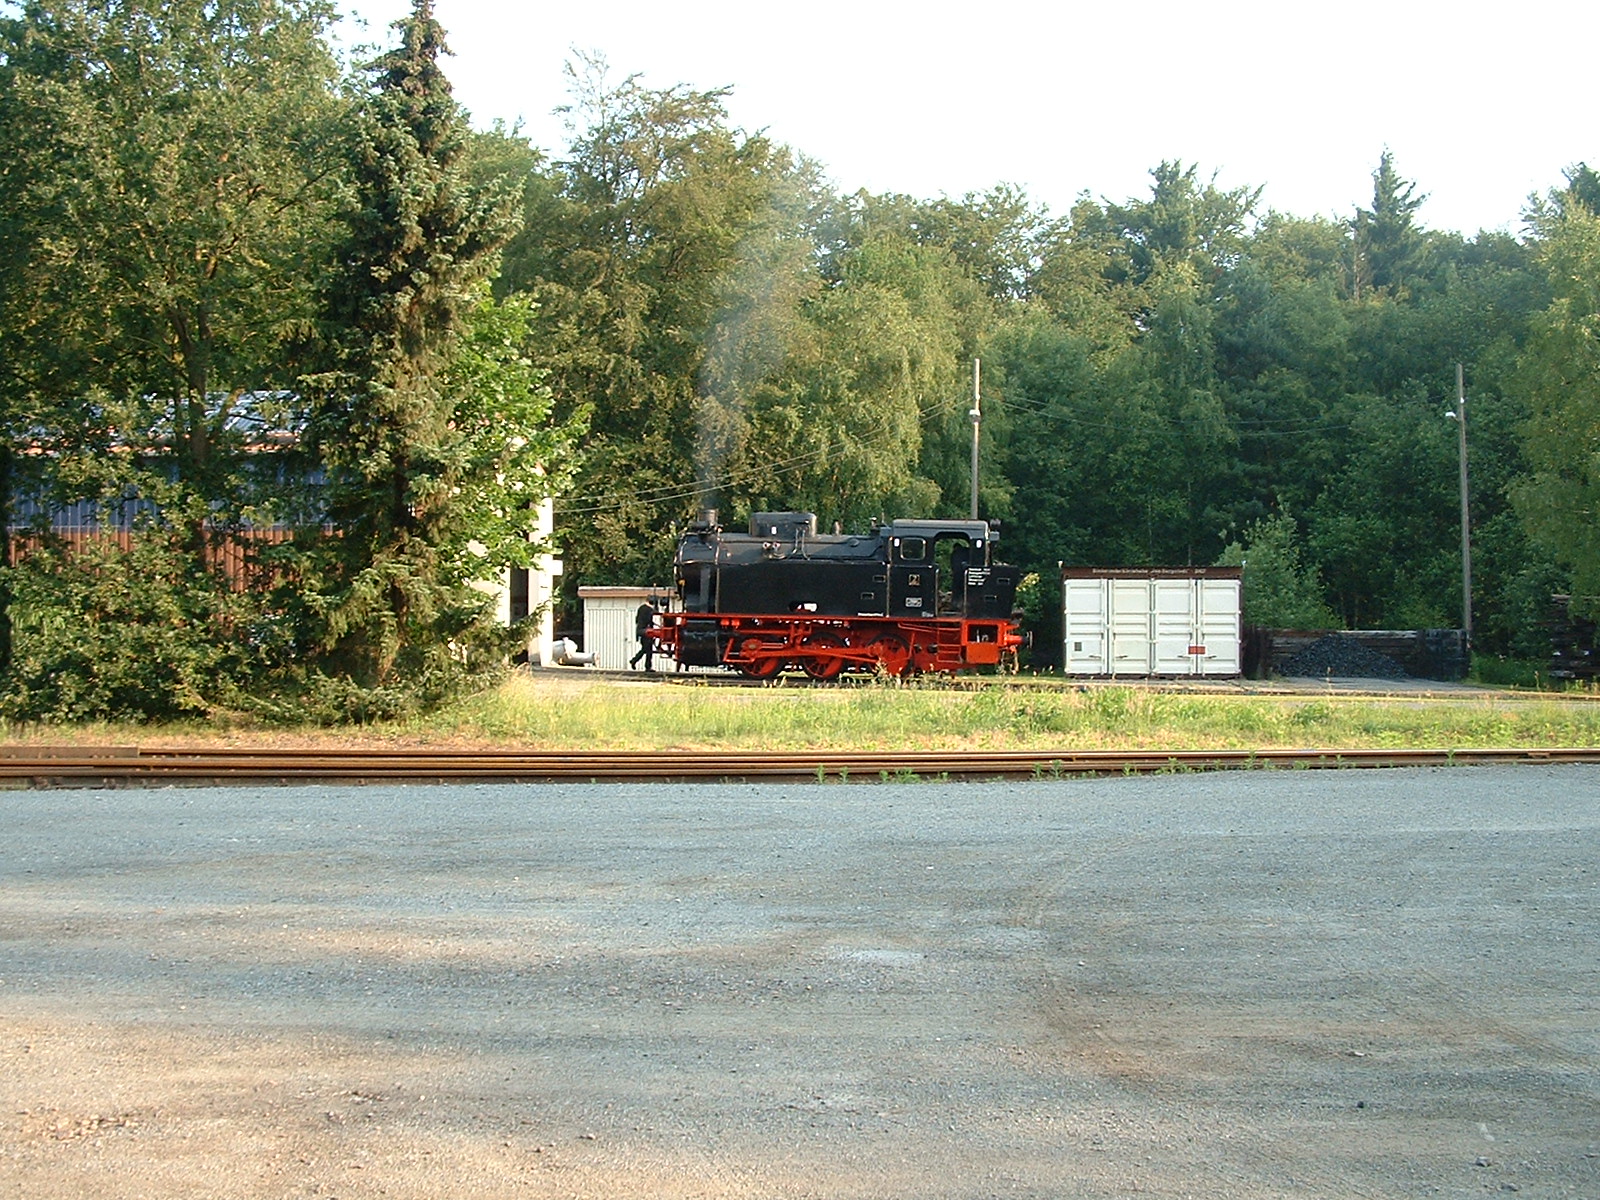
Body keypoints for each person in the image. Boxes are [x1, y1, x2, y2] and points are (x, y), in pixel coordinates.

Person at [629, 597, 658, 670]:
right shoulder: (648, 609)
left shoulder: (641, 608)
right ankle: (637, 662)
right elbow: (654, 614)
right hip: (645, 632)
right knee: (647, 650)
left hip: (641, 631)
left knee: (646, 649)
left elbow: (637, 620)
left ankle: (636, 661)